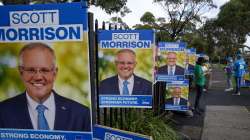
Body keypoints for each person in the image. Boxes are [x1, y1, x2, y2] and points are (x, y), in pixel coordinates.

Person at [0, 43, 91, 131]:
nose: (38, 77)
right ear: (21, 72)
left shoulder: (80, 114)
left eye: (45, 70)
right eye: (31, 70)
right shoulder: (3, 112)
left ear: (54, 73)